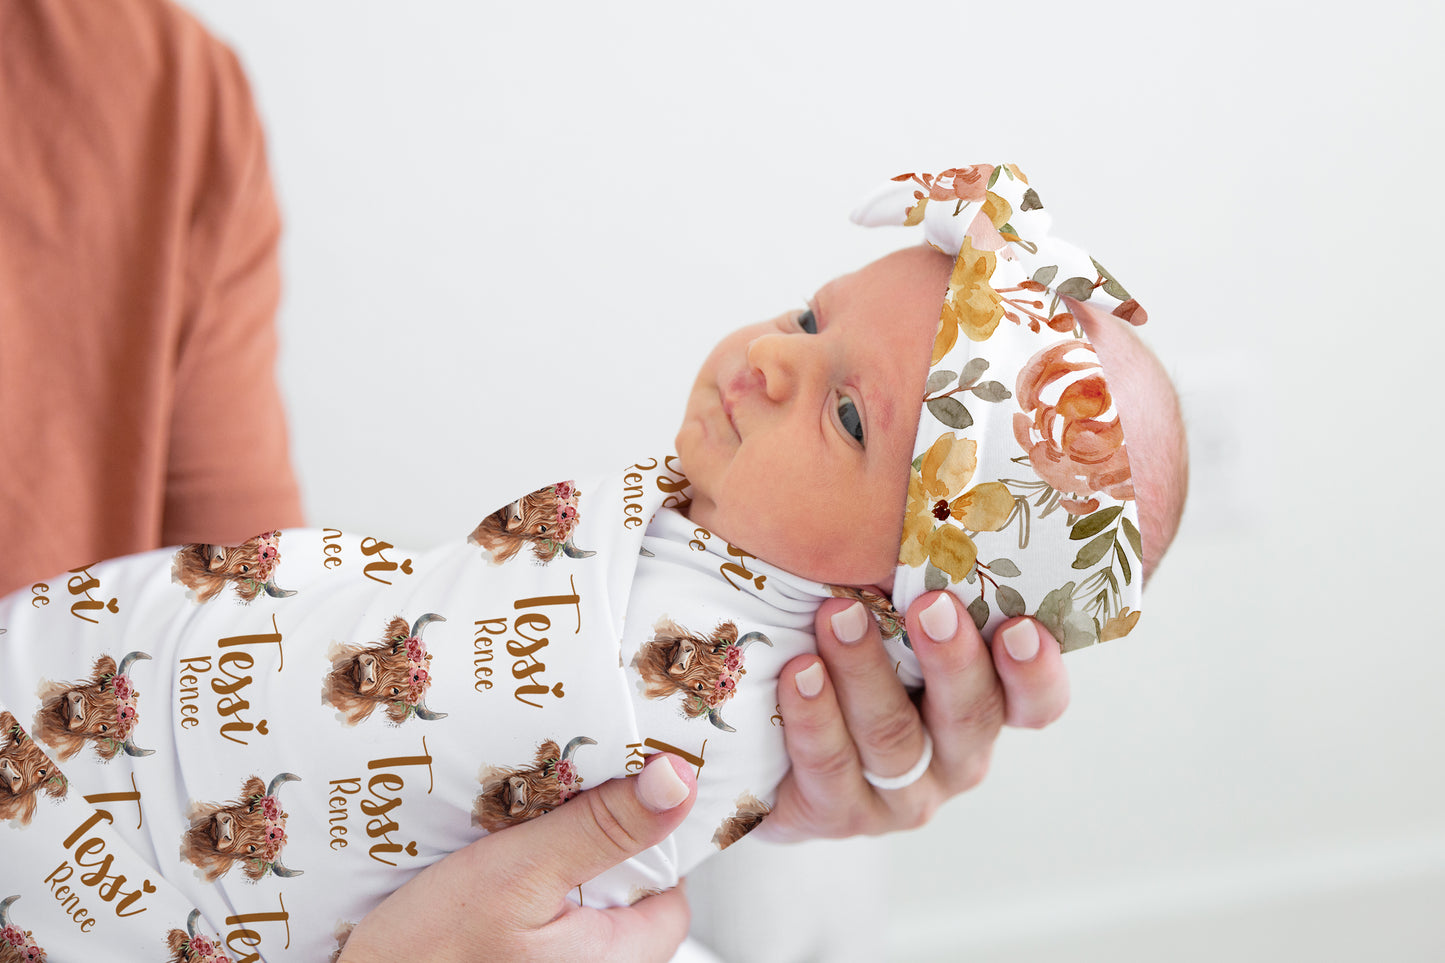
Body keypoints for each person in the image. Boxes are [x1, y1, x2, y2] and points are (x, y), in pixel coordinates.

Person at [0, 162, 1185, 960]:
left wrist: (788, 815)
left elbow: (588, 898)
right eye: (811, 321)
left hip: (120, 865)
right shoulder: (695, 550)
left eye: (849, 418)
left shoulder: (721, 725)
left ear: (910, 595)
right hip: (112, 671)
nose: (770, 358)